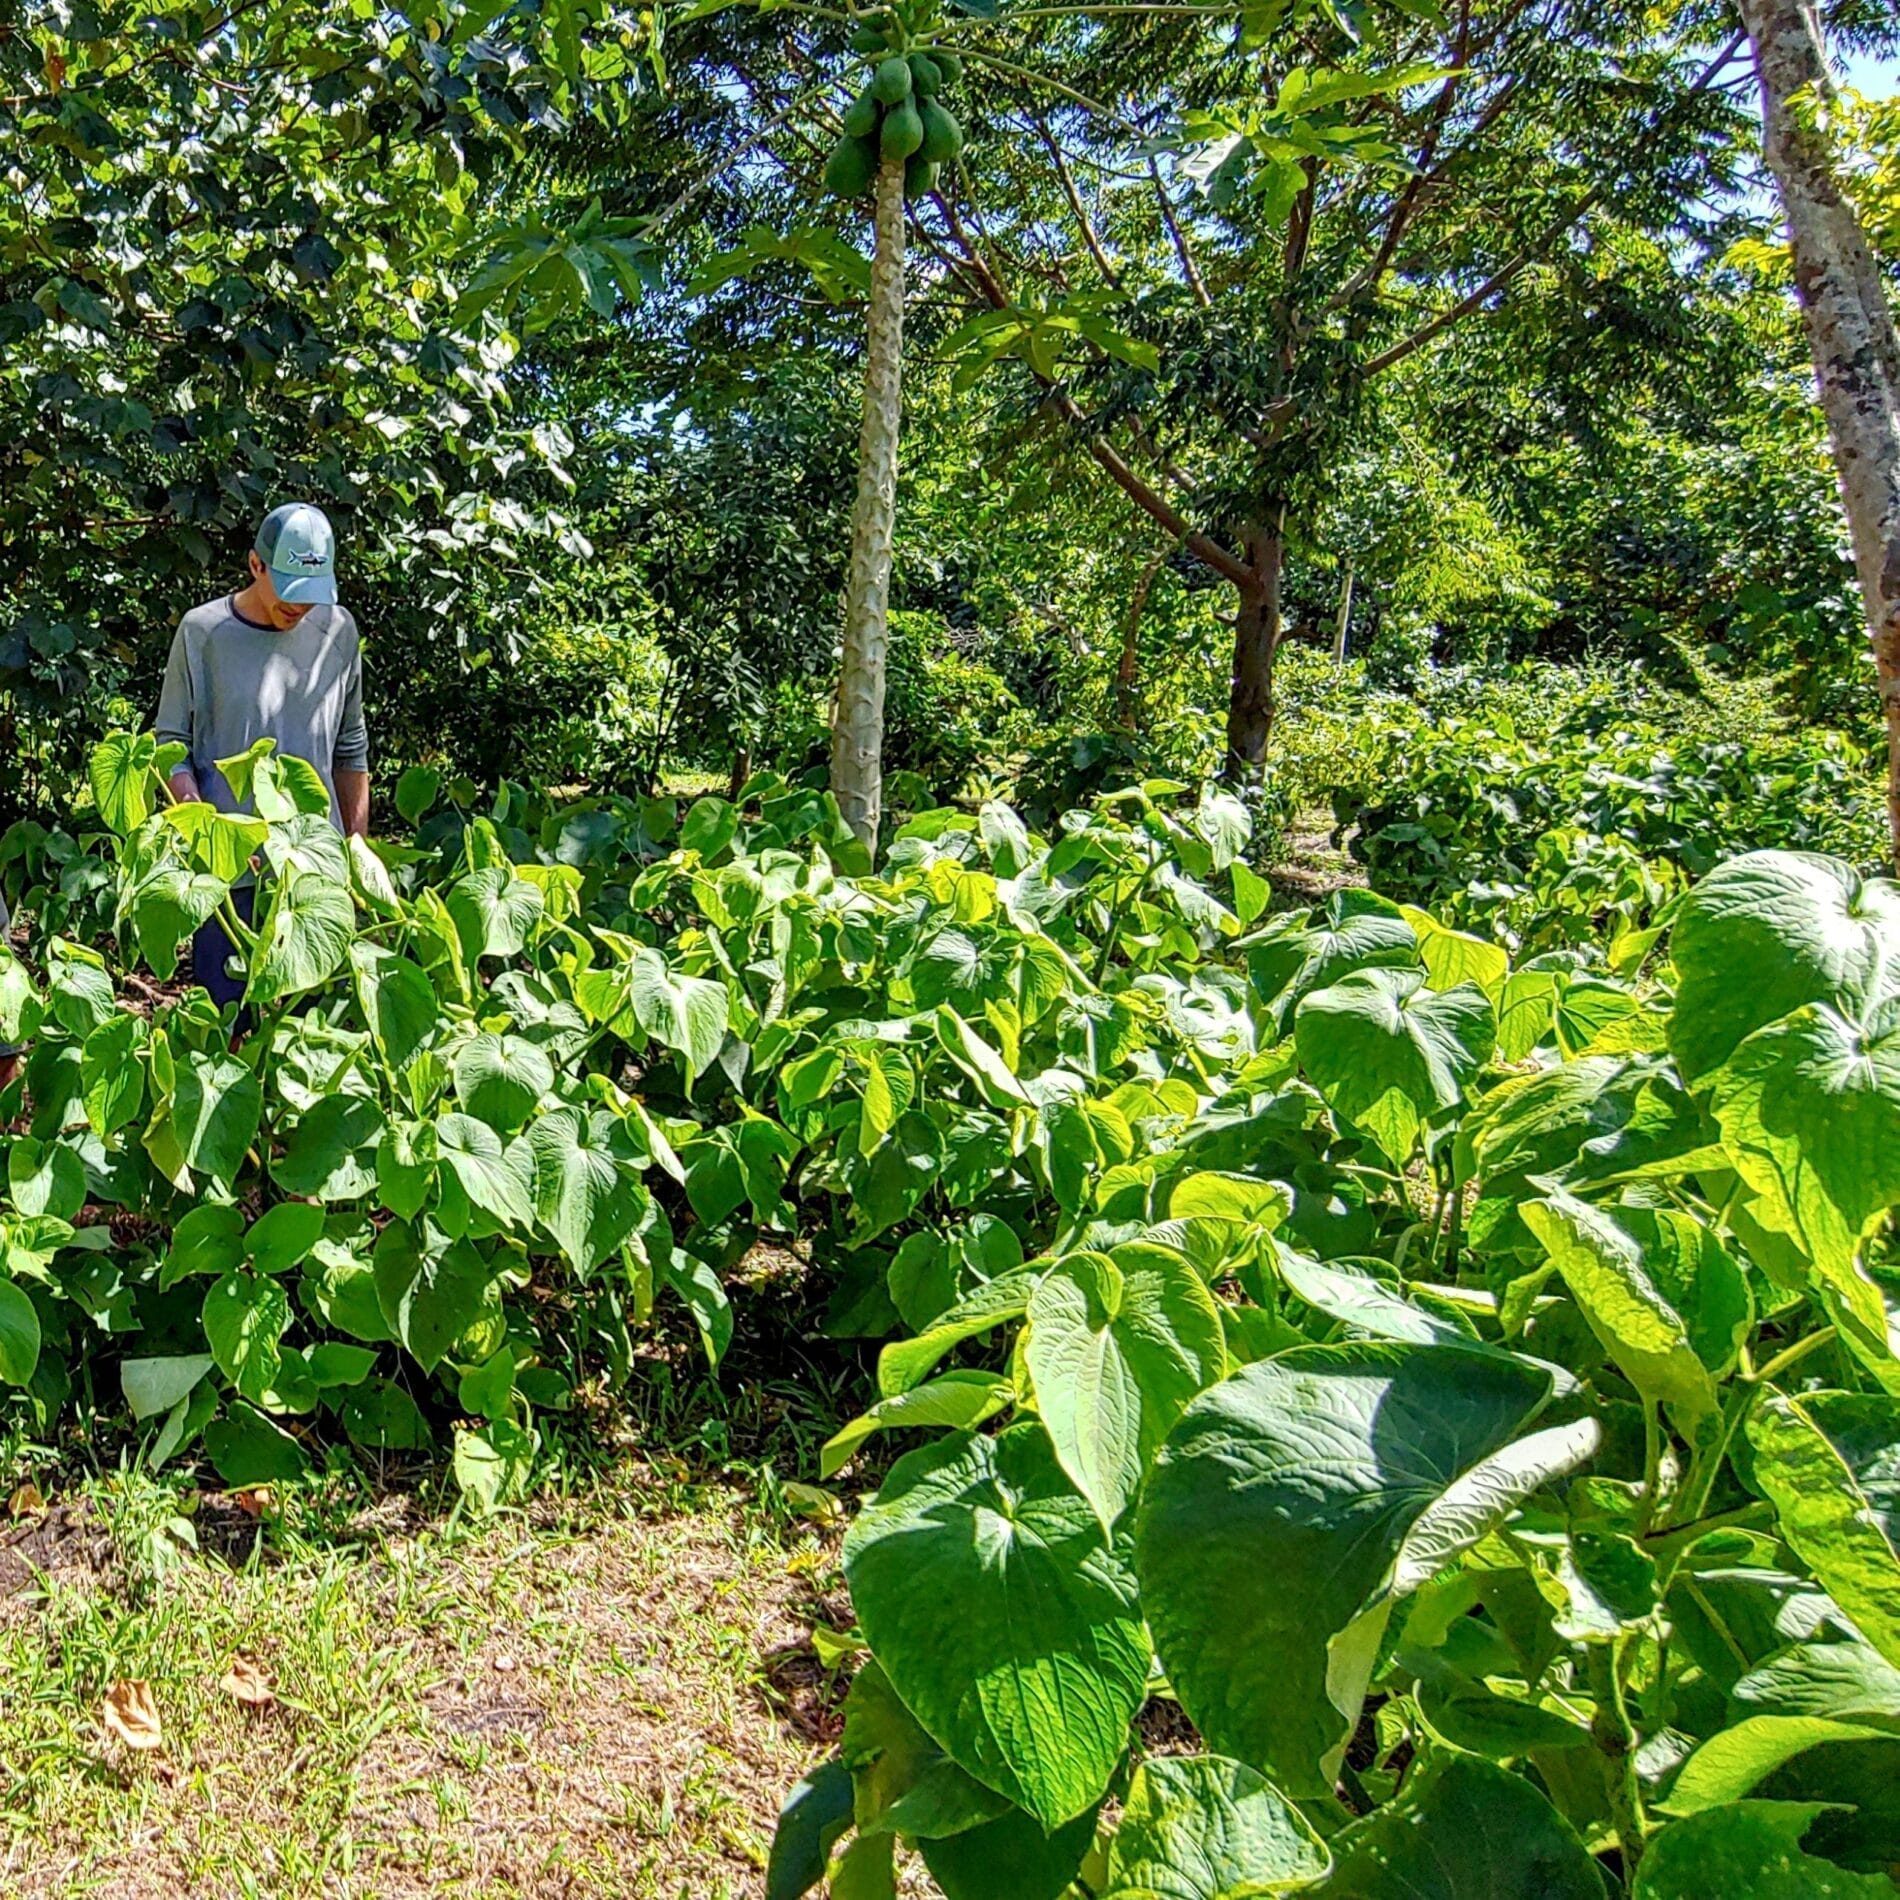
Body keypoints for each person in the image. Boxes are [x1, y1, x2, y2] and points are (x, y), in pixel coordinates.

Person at [155, 502, 370, 1008]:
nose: (301, 608)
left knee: (310, 1041)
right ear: (257, 565)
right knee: (226, 1033)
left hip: (316, 875)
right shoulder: (202, 632)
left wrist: (358, 853)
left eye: (313, 595)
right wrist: (206, 831)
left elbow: (350, 748)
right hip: (231, 878)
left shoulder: (338, 632)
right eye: (290, 589)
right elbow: (170, 748)